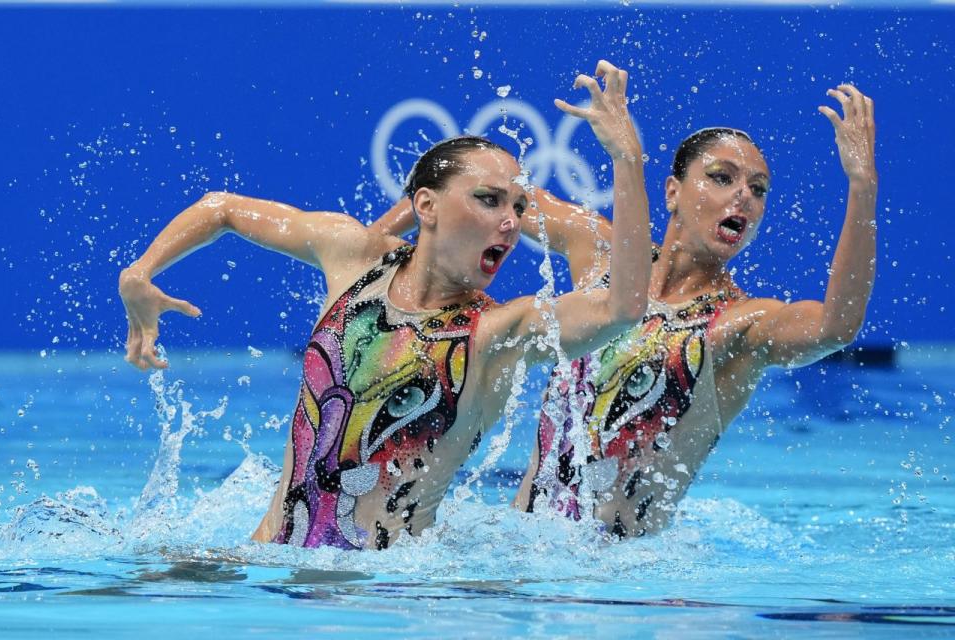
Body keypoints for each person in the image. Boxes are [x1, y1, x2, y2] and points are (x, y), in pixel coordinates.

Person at [118, 60, 653, 550]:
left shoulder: (495, 331)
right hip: (268, 569)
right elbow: (223, 210)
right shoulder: (352, 256)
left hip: (386, 597)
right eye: (488, 200)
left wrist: (627, 159)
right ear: (427, 205)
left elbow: (621, 309)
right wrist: (140, 273)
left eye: (517, 206)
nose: (511, 223)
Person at [375, 84, 876, 539]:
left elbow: (836, 326)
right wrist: (381, 250)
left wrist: (861, 186)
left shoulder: (739, 324)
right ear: (673, 192)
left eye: (759, 189)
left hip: (620, 580)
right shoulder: (600, 254)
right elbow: (471, 194)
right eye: (722, 177)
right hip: (524, 546)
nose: (743, 195)